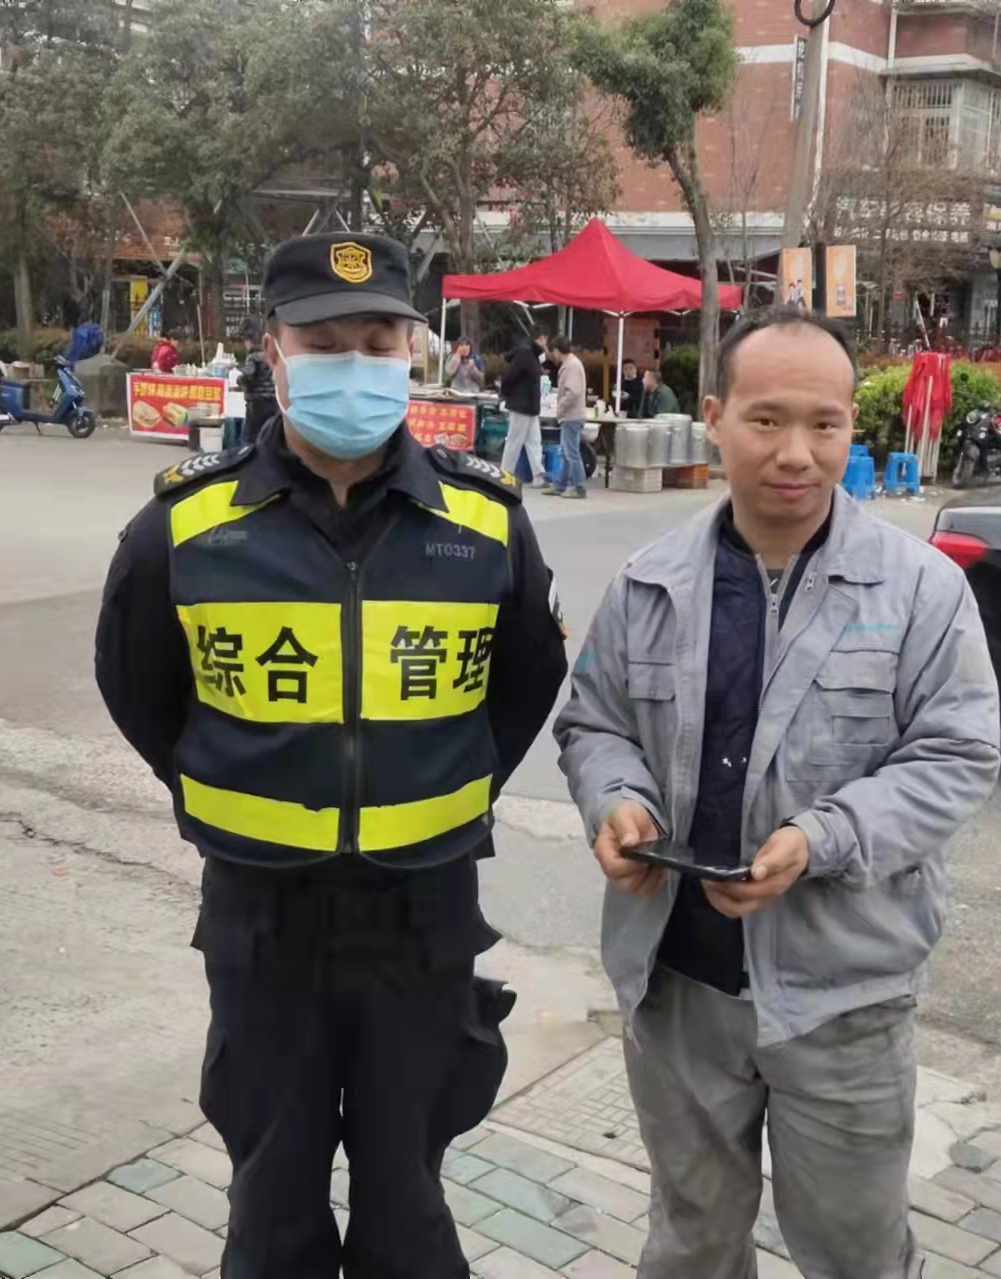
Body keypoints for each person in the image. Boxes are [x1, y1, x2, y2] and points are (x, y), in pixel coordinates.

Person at [95, 232, 568, 1279]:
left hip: (424, 917)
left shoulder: (485, 522)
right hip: (264, 917)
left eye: (377, 340)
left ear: (412, 353)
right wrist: (234, 781)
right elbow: (139, 688)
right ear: (272, 352)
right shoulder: (184, 526)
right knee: (272, 1203)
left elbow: (523, 685)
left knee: (409, 1202)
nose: (353, 363)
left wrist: (434, 783)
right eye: (322, 342)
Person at [554, 305, 1001, 1279]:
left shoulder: (919, 591)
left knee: (853, 1253)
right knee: (692, 1242)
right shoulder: (648, 583)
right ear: (715, 417)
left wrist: (822, 837)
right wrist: (615, 799)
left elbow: (957, 755)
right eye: (765, 420)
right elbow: (593, 722)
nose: (795, 452)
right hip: (679, 986)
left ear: (850, 427)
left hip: (842, 998)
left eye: (824, 424)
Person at [498, 329, 548, 489]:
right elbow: (511, 376)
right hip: (522, 404)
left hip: (529, 405)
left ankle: (538, 475)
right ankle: (505, 475)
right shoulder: (526, 354)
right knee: (515, 440)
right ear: (541, 338)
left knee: (533, 441)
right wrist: (506, 392)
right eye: (545, 339)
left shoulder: (531, 354)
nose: (546, 344)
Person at [551, 336, 588, 499]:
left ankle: (579, 487)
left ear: (557, 350)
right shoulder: (570, 364)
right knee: (566, 453)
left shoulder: (572, 366)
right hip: (569, 416)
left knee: (571, 453)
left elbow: (573, 392)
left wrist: (560, 406)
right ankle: (560, 485)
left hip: (572, 416)